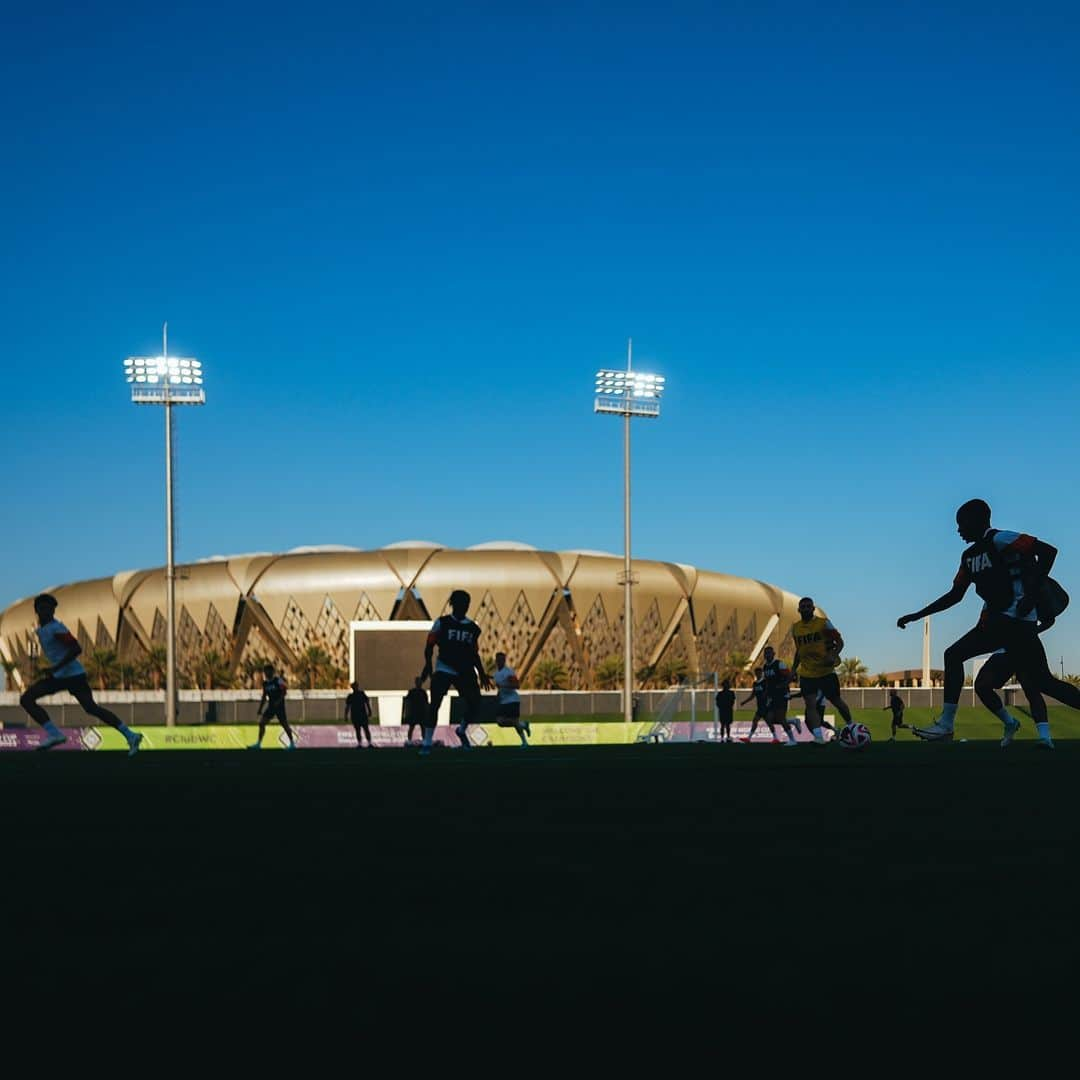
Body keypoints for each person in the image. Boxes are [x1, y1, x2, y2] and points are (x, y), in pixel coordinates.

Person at [896, 498, 1080, 747]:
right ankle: (946, 725)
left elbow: (1048, 552)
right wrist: (916, 615)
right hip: (999, 624)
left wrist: (1031, 595)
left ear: (977, 520)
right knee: (1040, 681)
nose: (958, 530)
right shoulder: (969, 556)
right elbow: (955, 595)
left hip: (1015, 622)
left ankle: (947, 725)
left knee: (1039, 682)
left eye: (961, 523)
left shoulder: (1002, 539)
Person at [20, 593, 143, 754]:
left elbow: (76, 648)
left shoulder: (56, 628)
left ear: (53, 611)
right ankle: (130, 735)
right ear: (37, 610)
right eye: (42, 608)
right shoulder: (42, 630)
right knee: (91, 708)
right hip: (72, 675)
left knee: (27, 699)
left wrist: (56, 668)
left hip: (67, 676)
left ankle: (55, 734)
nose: (46, 612)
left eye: (49, 609)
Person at [419, 589, 493, 755]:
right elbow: (429, 646)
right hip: (444, 667)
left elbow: (474, 653)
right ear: (453, 605)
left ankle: (461, 729)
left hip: (465, 669)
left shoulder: (473, 628)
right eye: (460, 604)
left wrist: (481, 672)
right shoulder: (442, 622)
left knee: (475, 702)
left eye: (465, 604)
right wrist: (429, 667)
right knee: (435, 704)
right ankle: (427, 743)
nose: (463, 607)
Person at [792, 596, 855, 743]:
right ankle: (818, 737)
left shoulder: (823, 623)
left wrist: (833, 654)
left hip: (825, 671)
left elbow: (840, 642)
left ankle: (851, 725)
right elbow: (799, 650)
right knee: (810, 704)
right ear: (799, 610)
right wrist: (793, 669)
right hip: (807, 673)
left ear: (813, 609)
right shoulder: (795, 628)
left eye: (809, 606)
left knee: (836, 701)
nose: (806, 609)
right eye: (804, 606)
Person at [249, 664, 296, 750]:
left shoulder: (278, 680)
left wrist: (278, 701)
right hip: (271, 707)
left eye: (268, 671)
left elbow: (284, 691)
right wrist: (260, 709)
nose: (266, 673)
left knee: (284, 725)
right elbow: (264, 696)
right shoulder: (265, 683)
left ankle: (292, 743)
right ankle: (258, 744)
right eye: (265, 671)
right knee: (262, 723)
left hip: (279, 707)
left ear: (272, 672)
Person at [761, 645, 799, 746]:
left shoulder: (779, 664)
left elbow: (792, 676)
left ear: (773, 654)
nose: (768, 655)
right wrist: (766, 693)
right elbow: (768, 682)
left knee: (781, 718)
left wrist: (784, 685)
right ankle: (793, 721)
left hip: (782, 694)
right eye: (766, 653)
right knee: (769, 718)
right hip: (772, 696)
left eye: (769, 653)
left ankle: (793, 740)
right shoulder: (765, 667)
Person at [493, 652, 530, 747]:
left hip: (512, 700)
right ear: (496, 661)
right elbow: (500, 688)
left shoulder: (508, 672)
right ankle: (523, 725)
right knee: (500, 722)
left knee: (514, 721)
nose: (500, 661)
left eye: (502, 659)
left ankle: (524, 742)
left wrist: (503, 685)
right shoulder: (496, 674)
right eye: (498, 659)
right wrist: (498, 695)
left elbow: (516, 685)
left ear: (504, 661)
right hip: (503, 701)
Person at [738, 667, 779, 743]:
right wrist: (744, 702)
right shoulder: (755, 683)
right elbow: (753, 695)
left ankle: (775, 738)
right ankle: (749, 738)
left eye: (759, 672)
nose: (758, 674)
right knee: (758, 721)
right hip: (760, 706)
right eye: (756, 672)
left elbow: (769, 691)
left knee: (766, 722)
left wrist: (768, 699)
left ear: (761, 673)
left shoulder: (765, 682)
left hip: (766, 706)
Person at [345, 682, 374, 747]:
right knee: (358, 730)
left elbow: (367, 703)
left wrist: (369, 711)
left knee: (366, 729)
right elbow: (347, 706)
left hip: (362, 715)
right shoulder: (351, 696)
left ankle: (369, 743)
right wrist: (346, 715)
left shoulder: (362, 694)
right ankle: (360, 743)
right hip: (356, 715)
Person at [403, 676, 428, 746]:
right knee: (411, 727)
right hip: (413, 713)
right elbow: (407, 702)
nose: (419, 683)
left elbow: (426, 703)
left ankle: (424, 740)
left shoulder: (423, 692)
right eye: (418, 682)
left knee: (423, 727)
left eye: (420, 682)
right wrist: (406, 713)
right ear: (416, 683)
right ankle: (409, 741)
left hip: (422, 713)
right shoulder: (411, 692)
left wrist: (427, 713)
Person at [714, 678, 735, 743]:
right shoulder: (720, 694)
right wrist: (721, 707)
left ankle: (728, 737)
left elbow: (732, 701)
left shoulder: (731, 693)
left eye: (727, 684)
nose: (726, 686)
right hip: (723, 710)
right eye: (725, 684)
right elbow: (717, 702)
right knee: (723, 725)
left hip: (728, 710)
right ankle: (722, 738)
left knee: (727, 725)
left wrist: (727, 706)